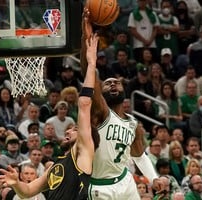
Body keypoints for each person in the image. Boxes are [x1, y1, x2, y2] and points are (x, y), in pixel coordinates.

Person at [0, 30, 99, 199]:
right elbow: (28, 191)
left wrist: (91, 64)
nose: (67, 131)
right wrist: (16, 183)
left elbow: (84, 103)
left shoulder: (84, 152)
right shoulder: (55, 166)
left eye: (74, 129)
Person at [81, 8, 164, 199]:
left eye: (116, 83)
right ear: (100, 94)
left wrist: (153, 179)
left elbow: (139, 155)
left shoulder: (134, 124)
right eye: (107, 83)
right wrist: (87, 39)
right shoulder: (100, 112)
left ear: (124, 90)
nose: (112, 84)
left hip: (125, 182)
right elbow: (89, 72)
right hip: (100, 186)